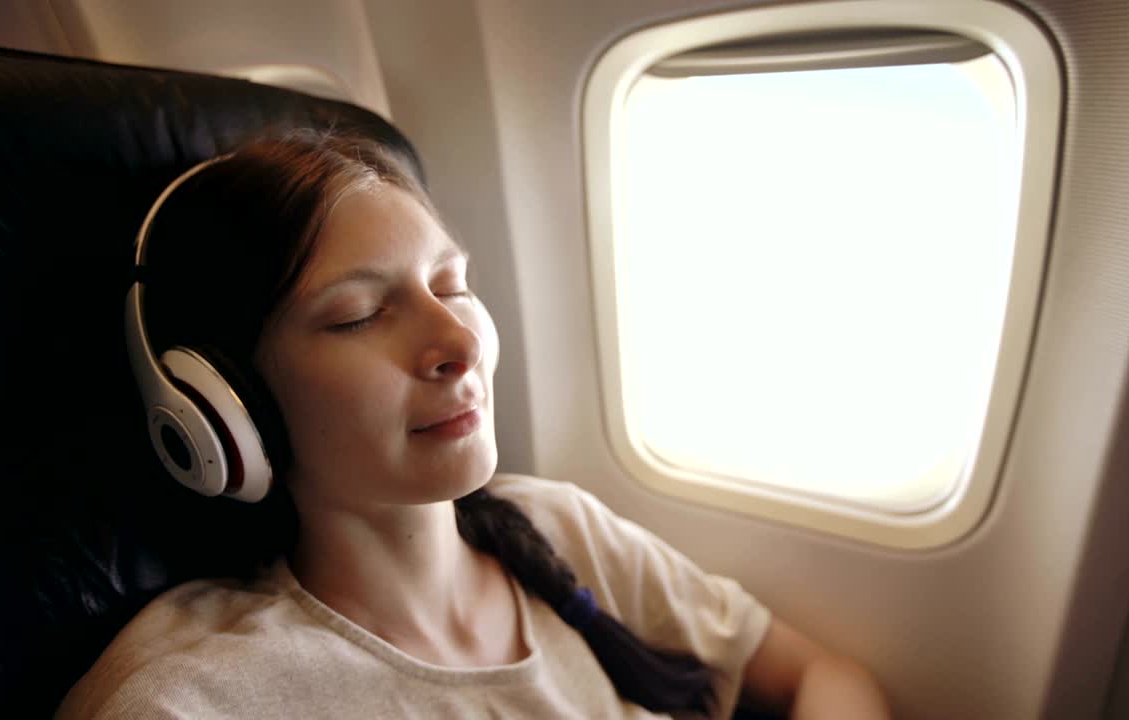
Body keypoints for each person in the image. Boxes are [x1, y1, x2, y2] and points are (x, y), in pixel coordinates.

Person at [56, 130, 891, 719]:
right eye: (358, 315)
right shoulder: (192, 699)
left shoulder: (561, 529)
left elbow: (824, 673)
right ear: (222, 406)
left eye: (452, 286)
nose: (459, 342)